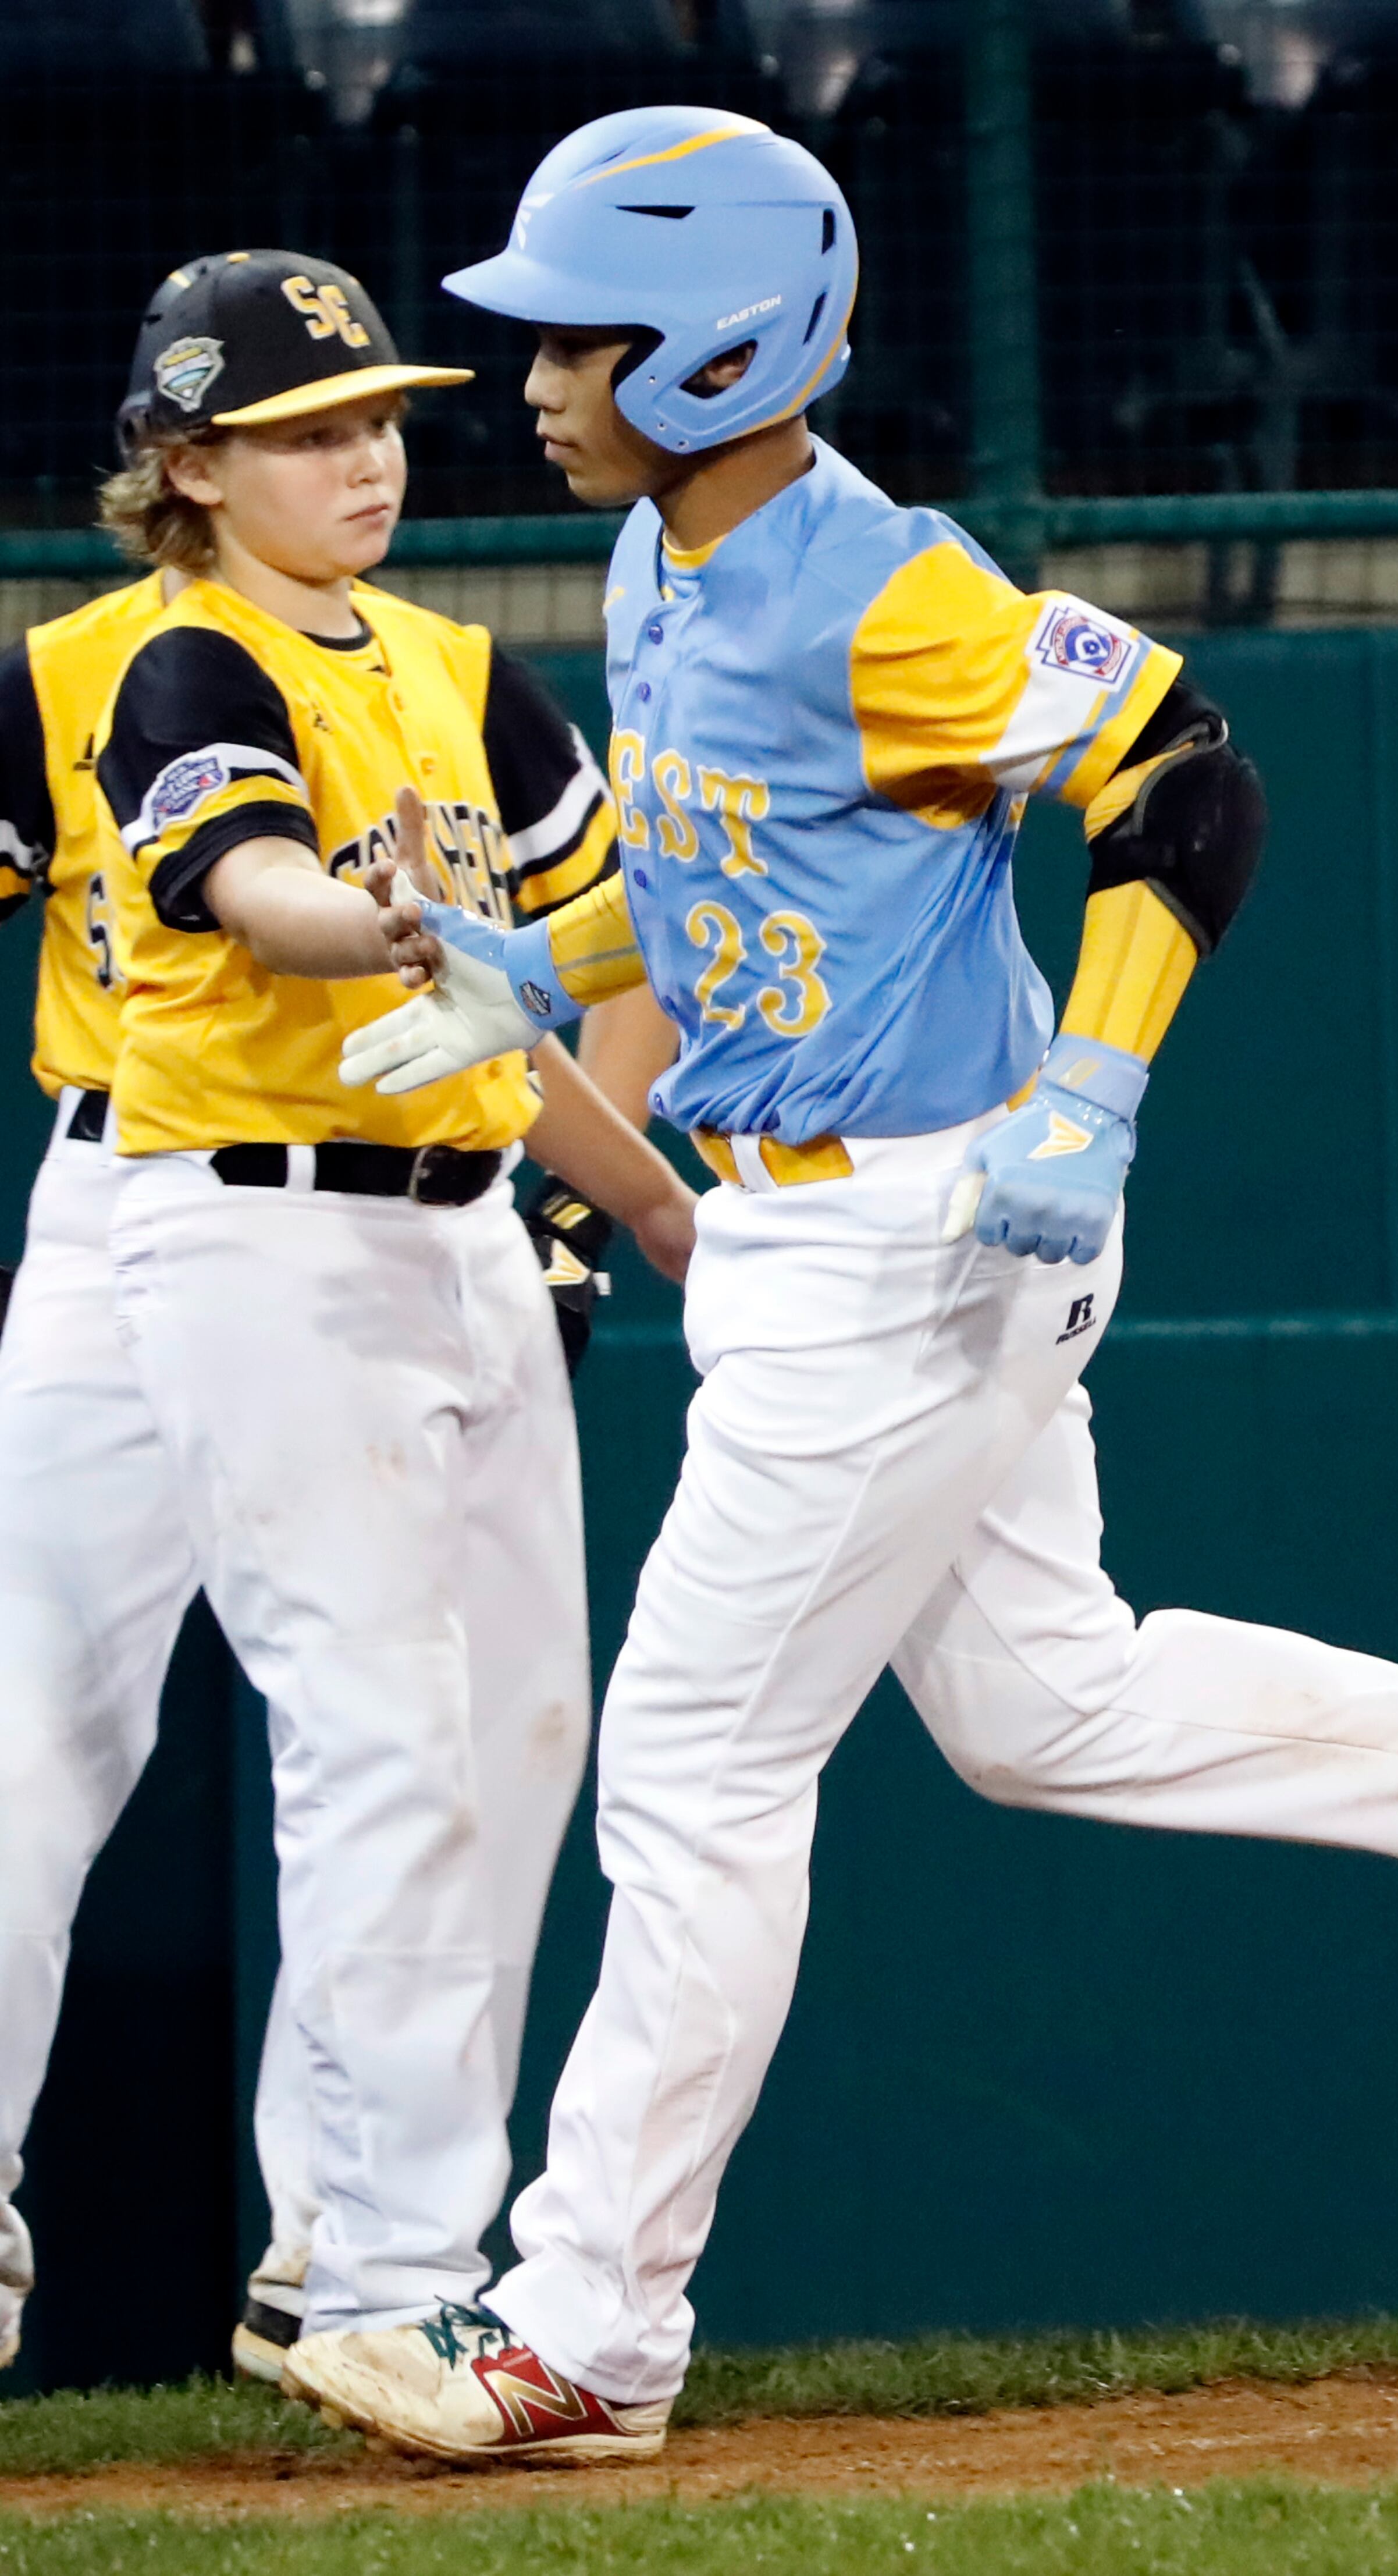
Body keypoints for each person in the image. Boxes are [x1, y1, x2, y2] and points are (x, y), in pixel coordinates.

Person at [280, 109, 1398, 2465]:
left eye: (570, 333)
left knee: (698, 1761)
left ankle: (586, 2327)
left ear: (717, 347)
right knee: (1049, 1709)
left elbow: (1187, 779)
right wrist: (536, 962)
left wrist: (1093, 1086)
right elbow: (723, 879)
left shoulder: (879, 586)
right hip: (821, 1224)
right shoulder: (650, 566)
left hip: (921, 1229)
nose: (526, 371)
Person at [43, 247, 699, 2366]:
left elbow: (591, 982)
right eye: (313, 426)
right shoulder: (153, 672)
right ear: (191, 462)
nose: (371, 454)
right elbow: (267, 895)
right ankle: (407, 2278)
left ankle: (357, 2250)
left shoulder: (458, 669)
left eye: (383, 416)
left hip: (465, 1212)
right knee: (274, 1737)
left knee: (512, 1735)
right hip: (217, 1217)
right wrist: (401, 929)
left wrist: (666, 1228)